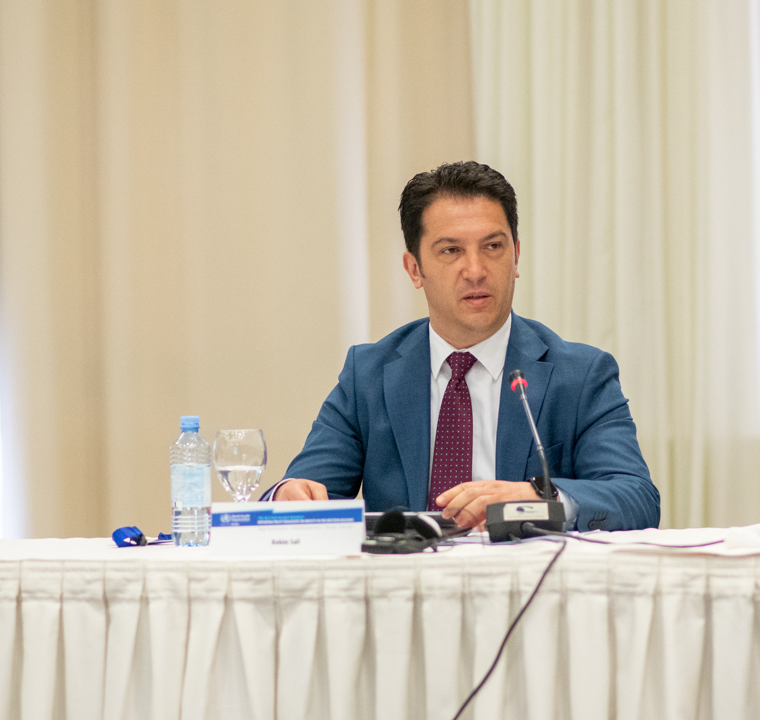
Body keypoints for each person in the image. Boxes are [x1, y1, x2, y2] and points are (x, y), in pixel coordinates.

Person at [264, 162, 659, 531]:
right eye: (451, 251)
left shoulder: (580, 375)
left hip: (527, 578)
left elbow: (636, 499)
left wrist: (537, 497)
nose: (475, 270)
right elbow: (303, 493)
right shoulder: (368, 375)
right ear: (414, 269)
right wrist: (288, 495)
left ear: (516, 256)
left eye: (493, 247)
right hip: (404, 578)